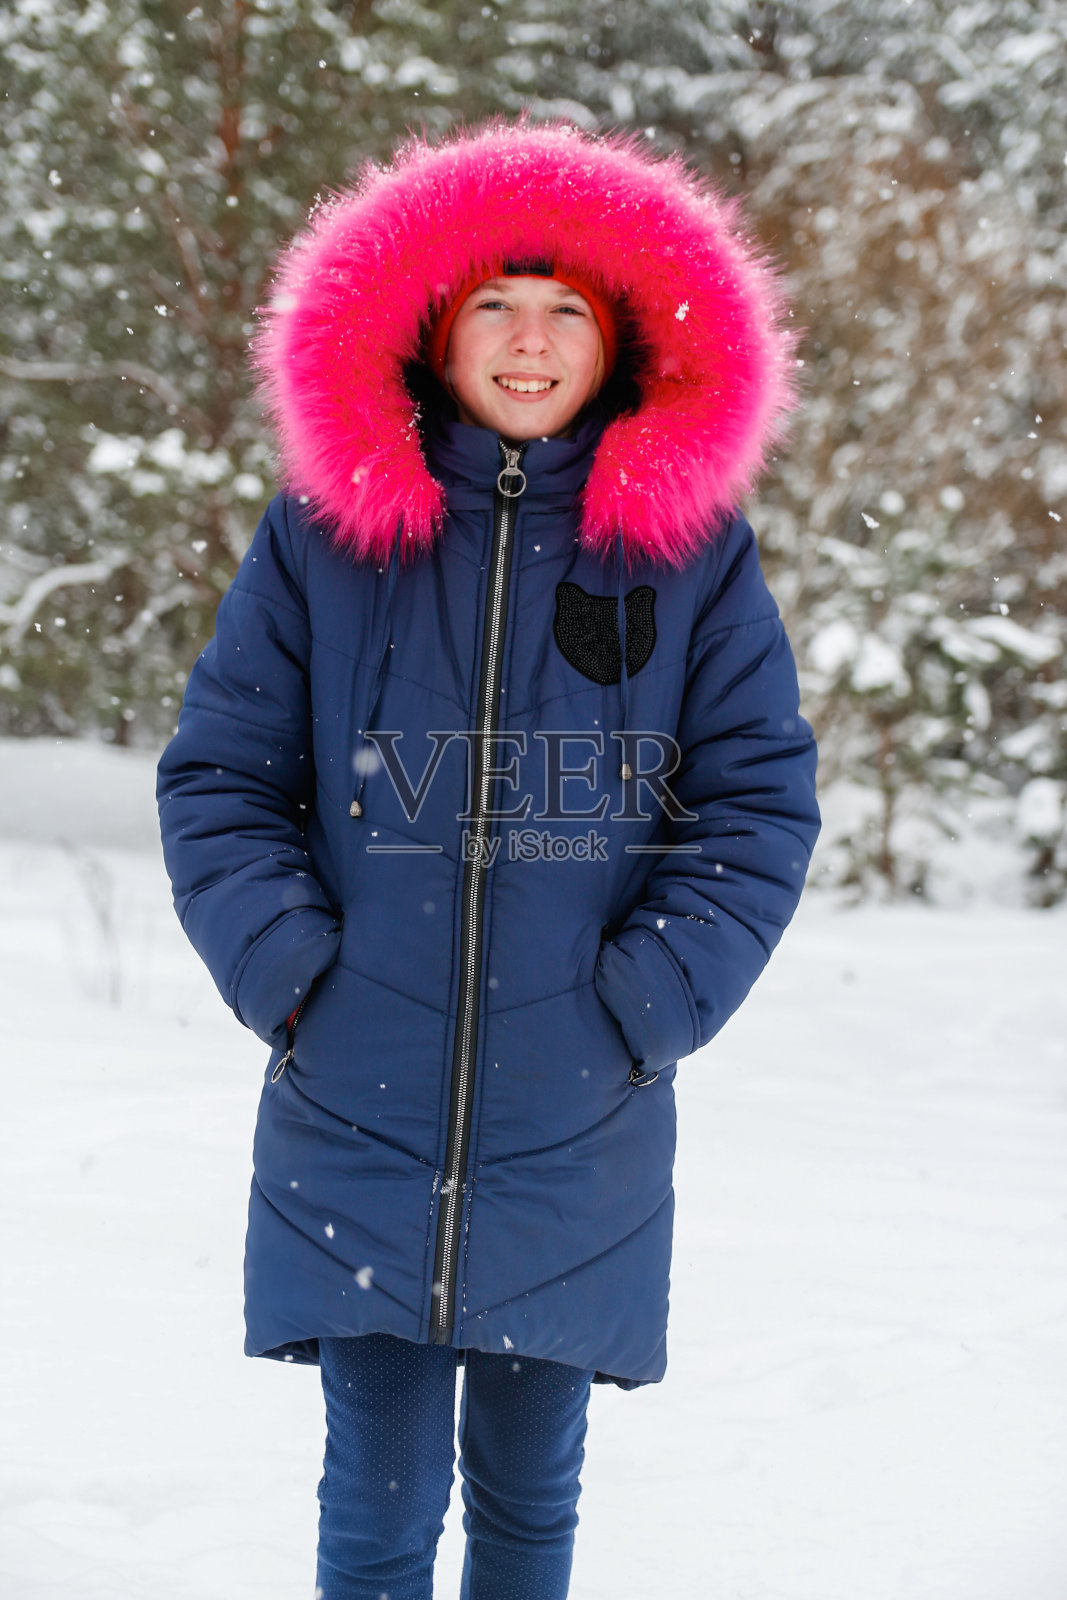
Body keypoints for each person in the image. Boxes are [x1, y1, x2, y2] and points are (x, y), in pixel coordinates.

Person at [156, 119, 821, 1600]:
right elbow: (221, 779)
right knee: (377, 1512)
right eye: (496, 307)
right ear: (430, 328)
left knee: (530, 1505)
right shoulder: (324, 541)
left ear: (625, 338)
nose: (531, 344)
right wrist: (293, 977)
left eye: (569, 310)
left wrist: (643, 1007)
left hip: (576, 1118)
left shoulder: (688, 556)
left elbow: (755, 803)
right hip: (356, 1107)